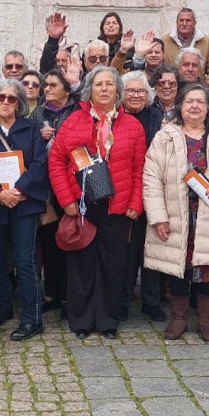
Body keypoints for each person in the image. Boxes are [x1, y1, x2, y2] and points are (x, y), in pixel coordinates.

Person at [143, 83, 209, 341]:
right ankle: (178, 319)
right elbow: (151, 178)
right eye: (189, 101)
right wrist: (158, 217)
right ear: (180, 105)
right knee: (179, 266)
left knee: (208, 267)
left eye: (200, 102)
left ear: (208, 107)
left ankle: (206, 319)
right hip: (176, 213)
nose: (194, 106)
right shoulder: (165, 136)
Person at [48, 66, 146, 339]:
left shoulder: (133, 126)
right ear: (89, 90)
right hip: (82, 204)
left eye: (109, 84)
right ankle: (81, 320)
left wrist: (136, 203)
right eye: (98, 84)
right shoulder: (73, 122)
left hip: (117, 205)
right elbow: (56, 161)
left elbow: (140, 169)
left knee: (112, 264)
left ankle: (107, 321)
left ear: (117, 90)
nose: (104, 89)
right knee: (82, 263)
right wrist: (66, 199)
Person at [0, 79, 49, 341]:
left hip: (24, 203)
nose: (5, 102)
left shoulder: (31, 130)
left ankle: (33, 318)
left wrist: (18, 191)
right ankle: (3, 307)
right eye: (1, 97)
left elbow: (41, 164)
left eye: (11, 98)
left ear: (19, 103)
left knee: (24, 260)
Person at [30, 68, 79, 314]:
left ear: (67, 90)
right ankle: (51, 294)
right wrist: (39, 137)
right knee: (49, 241)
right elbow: (29, 145)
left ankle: (70, 295)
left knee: (72, 241)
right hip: (47, 187)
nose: (46, 88)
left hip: (73, 185)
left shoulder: (78, 111)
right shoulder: (39, 112)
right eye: (45, 85)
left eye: (52, 85)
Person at [120, 71, 165, 321]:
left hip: (155, 190)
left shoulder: (158, 118)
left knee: (153, 247)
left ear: (147, 95)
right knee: (128, 249)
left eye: (140, 91)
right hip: (127, 191)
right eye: (130, 91)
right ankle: (123, 299)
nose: (136, 95)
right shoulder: (117, 118)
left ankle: (151, 300)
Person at [160, 8, 209, 83]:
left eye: (188, 20)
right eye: (181, 20)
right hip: (173, 90)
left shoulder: (206, 42)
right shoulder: (164, 42)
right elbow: (158, 67)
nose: (184, 24)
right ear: (176, 22)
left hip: (198, 90)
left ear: (194, 23)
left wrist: (205, 87)